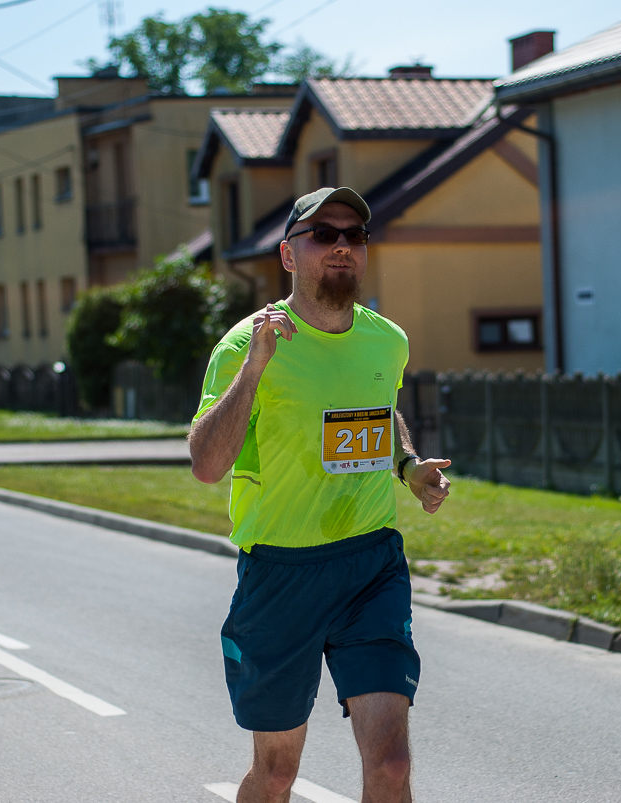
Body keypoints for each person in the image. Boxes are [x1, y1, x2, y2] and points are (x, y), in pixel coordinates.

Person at [189, 186, 453, 803]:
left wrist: (409, 467)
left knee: (390, 765)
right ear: (288, 255)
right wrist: (254, 369)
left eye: (354, 236)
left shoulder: (386, 341)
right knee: (277, 774)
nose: (342, 247)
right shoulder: (243, 346)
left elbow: (380, 415)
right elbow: (206, 465)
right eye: (324, 235)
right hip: (281, 570)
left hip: (371, 564)